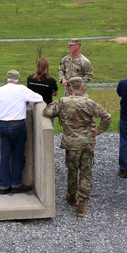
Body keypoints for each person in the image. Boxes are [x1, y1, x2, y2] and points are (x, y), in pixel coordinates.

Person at [42, 76, 111, 217]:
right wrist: (98, 130)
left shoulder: (63, 102)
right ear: (82, 87)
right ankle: (82, 204)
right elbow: (107, 117)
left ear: (70, 87)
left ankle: (72, 195)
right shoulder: (89, 103)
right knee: (86, 172)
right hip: (87, 142)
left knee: (72, 171)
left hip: (72, 143)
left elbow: (46, 111)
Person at [0, 69, 43, 194]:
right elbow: (39, 98)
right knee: (18, 156)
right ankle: (16, 183)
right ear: (18, 80)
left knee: (5, 157)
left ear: (6, 79)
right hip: (17, 125)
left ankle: (4, 185)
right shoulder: (21, 89)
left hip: (2, 125)